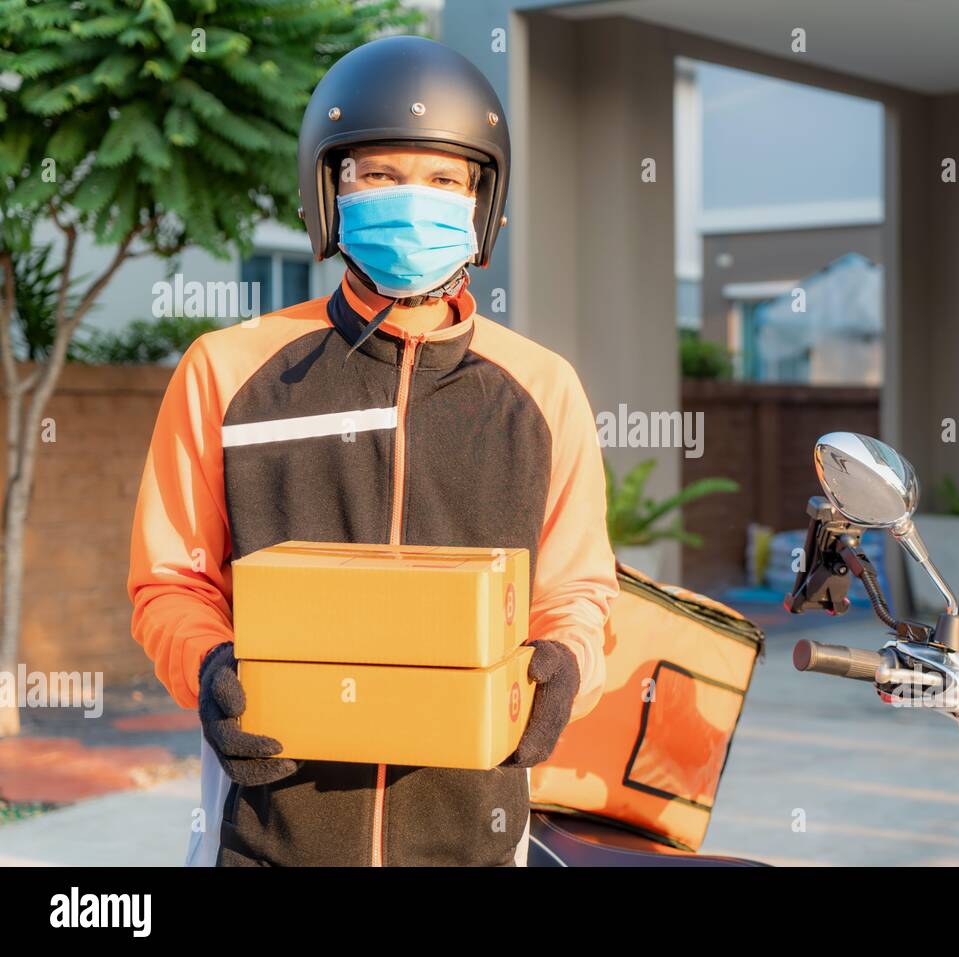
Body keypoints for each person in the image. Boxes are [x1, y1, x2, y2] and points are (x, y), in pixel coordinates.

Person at [127, 36, 618, 866]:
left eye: (443, 179)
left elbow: (578, 592)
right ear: (329, 191)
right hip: (265, 836)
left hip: (475, 837)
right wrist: (208, 664)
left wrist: (566, 662)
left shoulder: (542, 389)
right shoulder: (229, 369)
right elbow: (169, 581)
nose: (413, 198)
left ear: (482, 202)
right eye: (380, 175)